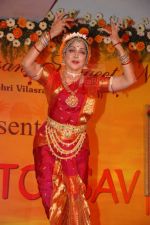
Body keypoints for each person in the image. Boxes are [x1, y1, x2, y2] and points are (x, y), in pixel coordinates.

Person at [22, 12, 136, 225]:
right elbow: (27, 65)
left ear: (87, 59)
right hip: (48, 142)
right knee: (51, 200)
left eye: (82, 52)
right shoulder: (51, 76)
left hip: (77, 146)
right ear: (63, 56)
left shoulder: (93, 83)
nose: (76, 54)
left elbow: (129, 79)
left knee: (77, 197)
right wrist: (49, 35)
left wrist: (119, 45)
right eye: (71, 50)